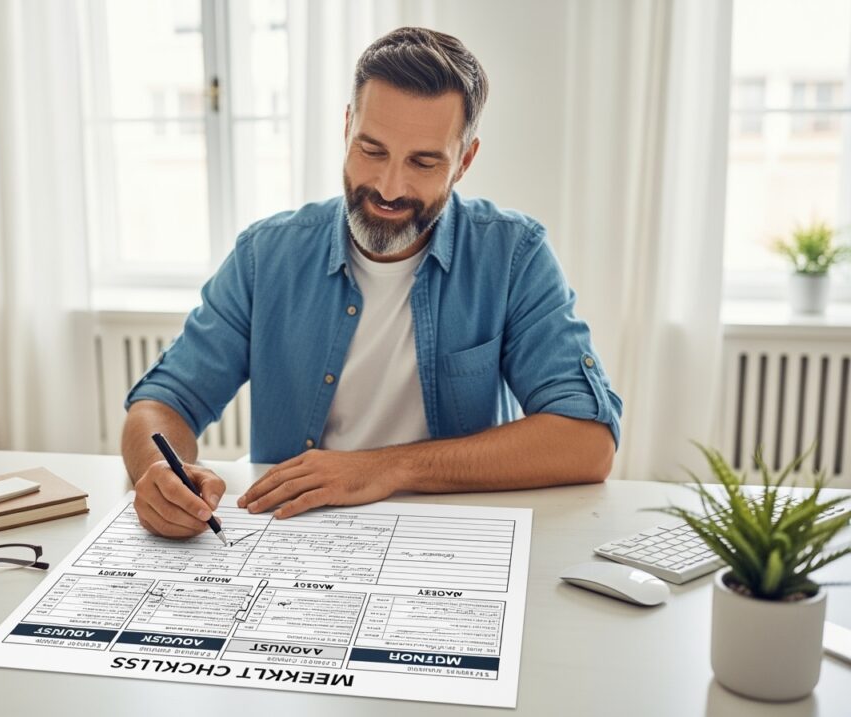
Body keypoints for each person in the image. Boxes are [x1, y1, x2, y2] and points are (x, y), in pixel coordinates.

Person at [121, 27, 622, 539]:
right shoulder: (266, 255)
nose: (388, 187)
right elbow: (164, 401)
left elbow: (587, 441)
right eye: (372, 150)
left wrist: (385, 468)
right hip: (289, 538)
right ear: (346, 129)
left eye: (424, 162)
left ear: (464, 161)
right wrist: (158, 473)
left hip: (455, 546)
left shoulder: (513, 255)